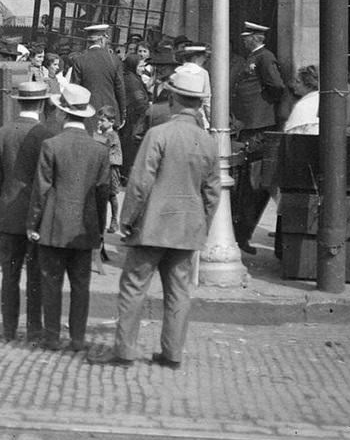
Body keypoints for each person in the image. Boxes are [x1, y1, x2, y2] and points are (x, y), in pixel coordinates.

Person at [88, 65, 221, 369]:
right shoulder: (209, 142)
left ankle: (125, 351)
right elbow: (212, 193)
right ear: (199, 103)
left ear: (172, 97)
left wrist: (126, 220)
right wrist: (202, 225)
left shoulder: (158, 134)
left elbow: (140, 183)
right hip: (188, 228)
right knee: (178, 291)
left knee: (133, 287)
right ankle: (172, 354)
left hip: (152, 227)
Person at [27, 84, 109, 353]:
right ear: (86, 116)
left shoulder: (51, 145)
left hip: (53, 224)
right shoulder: (99, 150)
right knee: (81, 285)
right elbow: (102, 193)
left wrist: (33, 224)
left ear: (62, 114)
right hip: (84, 228)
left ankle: (51, 337)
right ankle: (77, 338)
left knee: (51, 284)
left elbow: (42, 188)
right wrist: (98, 230)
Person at [0, 80, 52, 344]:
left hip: (9, 211)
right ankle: (35, 329)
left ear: (19, 102)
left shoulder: (2, 133)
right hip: (37, 215)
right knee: (36, 275)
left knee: (9, 276)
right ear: (43, 103)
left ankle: (9, 329)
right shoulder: (47, 134)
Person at [230, 21, 285, 255]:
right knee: (243, 183)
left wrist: (262, 110)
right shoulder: (253, 58)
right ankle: (239, 232)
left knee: (251, 183)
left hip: (257, 125)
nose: (244, 40)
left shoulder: (264, 58)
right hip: (248, 124)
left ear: (256, 38)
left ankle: (243, 233)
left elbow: (276, 86)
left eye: (247, 37)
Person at [65, 23, 126, 131]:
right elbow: (120, 89)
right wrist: (122, 114)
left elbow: (75, 89)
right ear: (103, 39)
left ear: (88, 41)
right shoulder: (114, 60)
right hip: (108, 115)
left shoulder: (80, 60)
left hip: (87, 115)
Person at [119, 53, 149, 183]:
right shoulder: (132, 80)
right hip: (134, 120)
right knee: (130, 148)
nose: (143, 69)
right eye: (141, 66)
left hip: (132, 119)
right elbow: (139, 101)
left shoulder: (131, 77)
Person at [93, 105, 123, 234]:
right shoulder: (104, 134)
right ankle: (102, 220)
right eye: (99, 120)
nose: (99, 123)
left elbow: (103, 144)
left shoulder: (112, 135)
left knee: (112, 195)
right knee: (103, 195)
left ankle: (115, 219)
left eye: (102, 120)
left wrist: (97, 135)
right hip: (104, 167)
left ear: (111, 122)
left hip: (111, 168)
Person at [283, 65, 320, 135]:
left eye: (298, 82)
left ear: (309, 85)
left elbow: (293, 134)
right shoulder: (322, 99)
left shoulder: (303, 105)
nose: (293, 85)